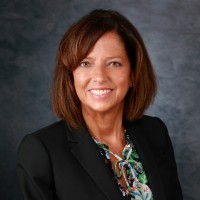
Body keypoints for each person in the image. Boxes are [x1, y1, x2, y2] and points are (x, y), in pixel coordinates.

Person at [17, 9, 183, 200]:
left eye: (114, 63)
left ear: (133, 74)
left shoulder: (155, 132)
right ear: (70, 76)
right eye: (85, 64)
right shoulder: (41, 151)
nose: (99, 77)